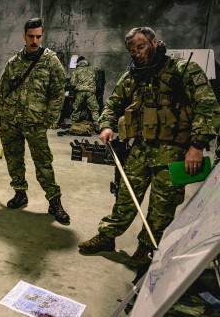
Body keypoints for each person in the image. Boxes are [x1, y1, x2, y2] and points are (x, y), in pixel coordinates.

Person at [78, 27, 220, 270]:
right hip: (141, 150)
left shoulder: (183, 70)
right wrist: (105, 126)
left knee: (162, 206)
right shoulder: (132, 77)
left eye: (141, 47)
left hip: (175, 152)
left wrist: (197, 146)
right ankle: (108, 236)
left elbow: (208, 107)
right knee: (125, 197)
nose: (137, 54)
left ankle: (146, 247)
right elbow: (112, 104)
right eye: (132, 51)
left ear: (154, 42)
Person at [0, 18, 70, 225]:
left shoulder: (51, 61)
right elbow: (2, 92)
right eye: (31, 36)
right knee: (13, 159)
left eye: (38, 36)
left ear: (42, 36)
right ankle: (20, 192)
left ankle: (54, 201)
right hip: (11, 121)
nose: (34, 40)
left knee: (44, 162)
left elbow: (57, 94)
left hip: (35, 123)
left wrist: (49, 121)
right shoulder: (14, 63)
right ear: (24, 36)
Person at [69, 56, 100, 131]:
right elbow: (97, 79)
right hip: (91, 91)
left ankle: (73, 125)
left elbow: (72, 83)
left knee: (76, 108)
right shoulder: (92, 69)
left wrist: (76, 87)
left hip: (80, 92)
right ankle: (97, 126)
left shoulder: (77, 70)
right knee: (94, 109)